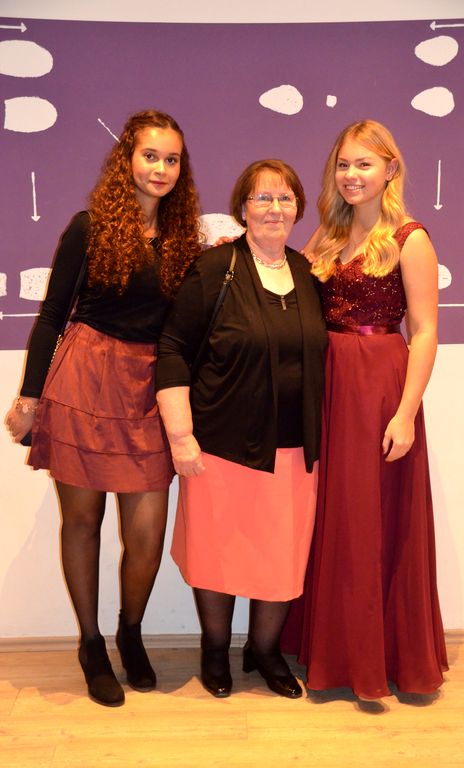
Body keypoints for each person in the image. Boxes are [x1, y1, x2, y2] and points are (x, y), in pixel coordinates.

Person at [5, 110, 201, 707]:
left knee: (146, 531)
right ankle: (91, 645)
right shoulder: (88, 227)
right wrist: (29, 398)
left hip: (149, 389)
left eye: (171, 159)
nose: (160, 168)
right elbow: (51, 316)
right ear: (127, 160)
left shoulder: (185, 240)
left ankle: (130, 632)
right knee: (83, 522)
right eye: (150, 155)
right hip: (85, 380)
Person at [282, 120, 448, 700]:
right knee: (331, 516)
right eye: (343, 164)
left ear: (390, 169)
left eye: (364, 164)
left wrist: (405, 413)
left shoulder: (410, 238)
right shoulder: (328, 235)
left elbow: (424, 332)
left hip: (379, 387)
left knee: (370, 519)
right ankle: (331, 648)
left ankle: (378, 658)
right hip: (328, 383)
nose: (351, 175)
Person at [155, 159, 327, 699]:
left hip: (293, 447)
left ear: (298, 208)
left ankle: (265, 650)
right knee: (217, 552)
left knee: (281, 555)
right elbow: (173, 349)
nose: (274, 208)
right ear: (242, 209)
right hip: (220, 445)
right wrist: (180, 436)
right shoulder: (216, 269)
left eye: (285, 198)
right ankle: (214, 650)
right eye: (262, 198)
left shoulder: (306, 272)